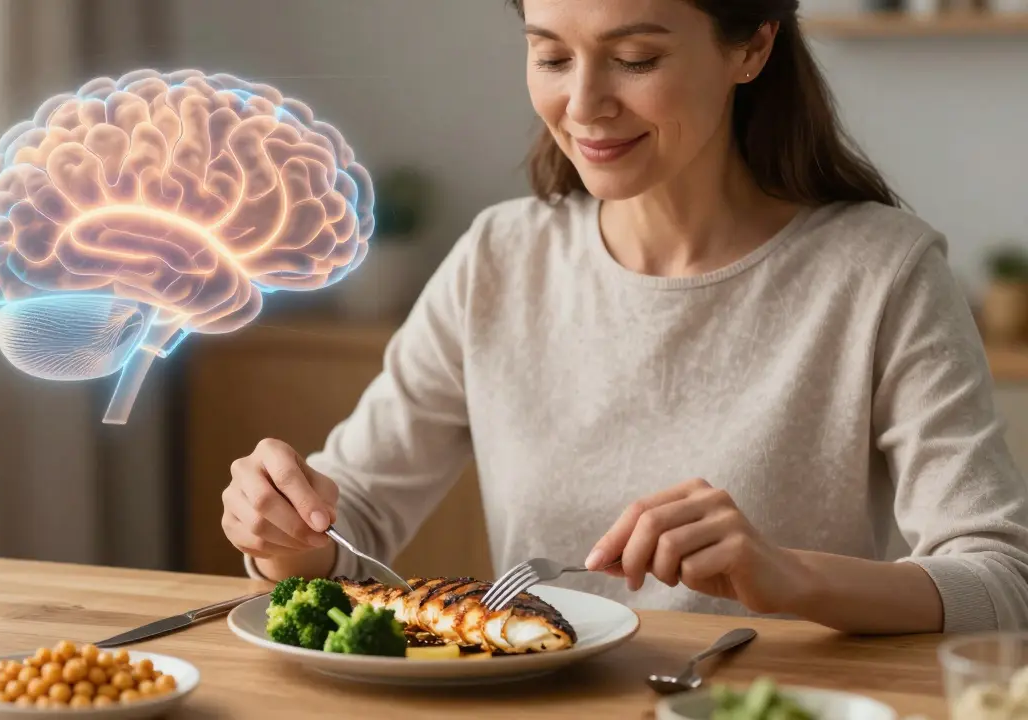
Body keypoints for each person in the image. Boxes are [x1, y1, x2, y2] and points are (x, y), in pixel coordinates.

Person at [219, 0, 1028, 634]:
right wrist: (287, 534)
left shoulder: (884, 271)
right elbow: (350, 519)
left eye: (636, 59)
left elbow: (1000, 579)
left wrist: (787, 576)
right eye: (550, 56)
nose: (584, 104)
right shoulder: (499, 258)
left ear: (751, 47)